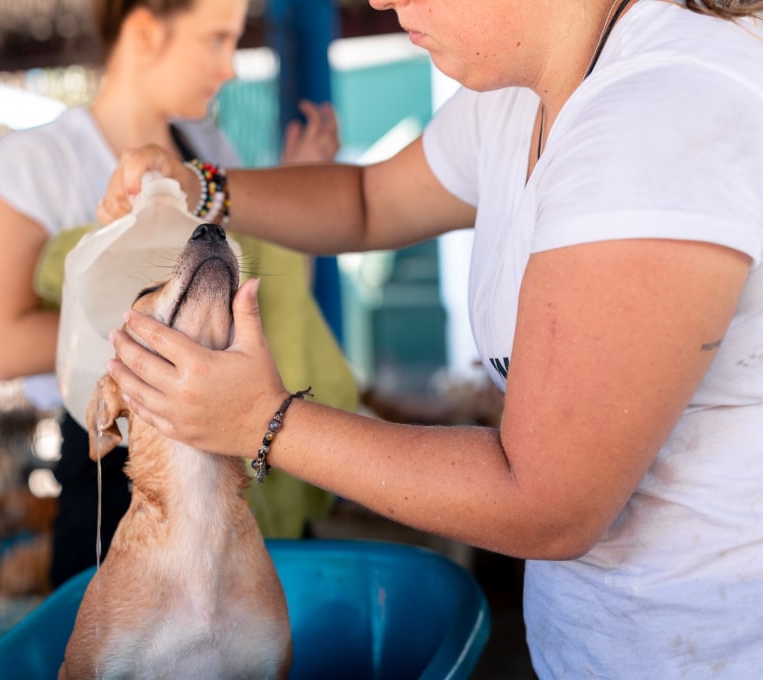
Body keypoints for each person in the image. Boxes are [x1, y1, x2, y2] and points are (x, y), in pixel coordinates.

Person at [97, 0, 763, 676]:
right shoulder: (520, 93)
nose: (383, 0)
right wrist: (200, 187)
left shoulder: (660, 113)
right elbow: (366, 201)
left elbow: (547, 503)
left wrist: (264, 420)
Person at [0, 0, 352, 589]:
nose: (228, 66)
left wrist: (292, 200)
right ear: (146, 31)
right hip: (118, 449)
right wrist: (168, 325)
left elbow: (270, 298)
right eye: (215, 39)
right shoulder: (34, 162)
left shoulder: (207, 151)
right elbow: (7, 344)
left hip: (235, 444)